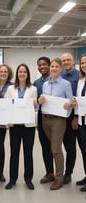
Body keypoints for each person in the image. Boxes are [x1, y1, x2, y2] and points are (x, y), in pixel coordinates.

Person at [39, 58, 73, 190]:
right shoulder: (45, 84)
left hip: (58, 120)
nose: (53, 68)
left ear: (61, 69)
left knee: (56, 149)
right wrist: (40, 100)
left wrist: (68, 107)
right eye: (52, 66)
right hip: (45, 119)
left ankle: (59, 178)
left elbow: (71, 101)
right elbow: (43, 100)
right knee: (50, 148)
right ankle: (51, 174)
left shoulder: (66, 84)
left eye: (56, 66)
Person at [4, 63, 37, 190]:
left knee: (28, 153)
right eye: (20, 71)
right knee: (14, 153)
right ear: (17, 74)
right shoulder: (11, 89)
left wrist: (35, 105)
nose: (22, 74)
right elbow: (7, 106)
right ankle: (12, 179)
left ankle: (28, 179)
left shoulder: (33, 89)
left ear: (27, 74)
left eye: (24, 72)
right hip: (15, 125)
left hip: (28, 125)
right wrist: (8, 120)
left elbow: (36, 108)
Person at [61, 52, 83, 184]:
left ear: (73, 61)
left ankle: (68, 173)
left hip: (74, 118)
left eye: (68, 60)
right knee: (63, 146)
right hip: (61, 116)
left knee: (72, 147)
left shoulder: (79, 76)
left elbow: (79, 99)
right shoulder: (60, 75)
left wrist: (75, 116)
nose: (66, 62)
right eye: (63, 61)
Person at [33, 57, 54, 184]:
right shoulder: (36, 83)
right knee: (45, 146)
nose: (42, 67)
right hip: (42, 117)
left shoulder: (57, 79)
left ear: (50, 65)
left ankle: (62, 174)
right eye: (39, 65)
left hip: (57, 118)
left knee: (56, 148)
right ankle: (49, 172)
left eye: (44, 64)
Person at [72, 54, 86, 192]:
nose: (84, 65)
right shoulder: (81, 80)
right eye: (82, 63)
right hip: (82, 121)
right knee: (84, 151)